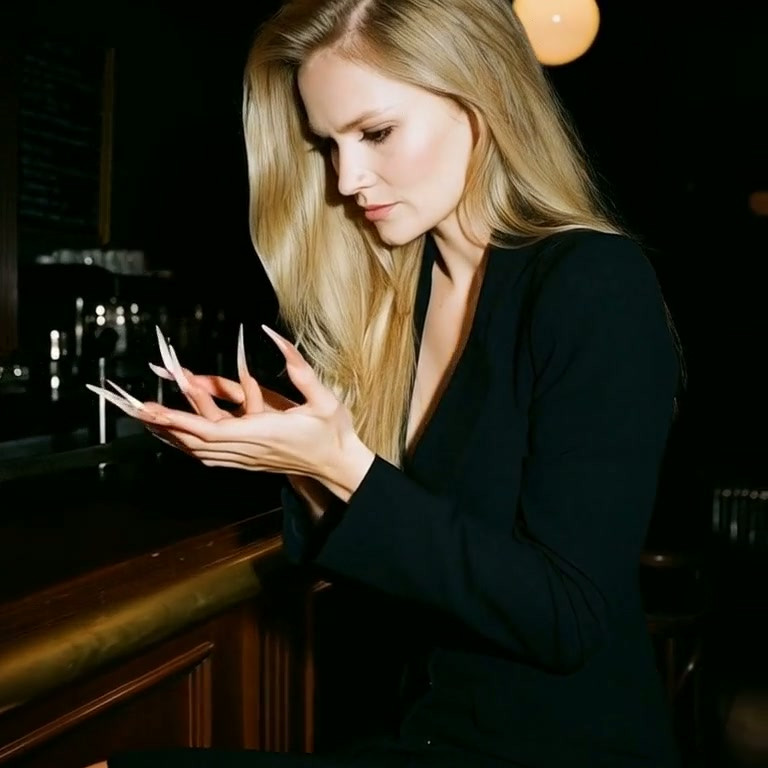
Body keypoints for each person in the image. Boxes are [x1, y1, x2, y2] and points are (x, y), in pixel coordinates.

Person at [85, 0, 684, 765]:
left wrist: (341, 466)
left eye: (375, 133)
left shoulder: (591, 285)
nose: (347, 179)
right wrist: (296, 457)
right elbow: (401, 587)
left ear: (481, 99)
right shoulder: (397, 298)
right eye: (327, 144)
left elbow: (567, 620)